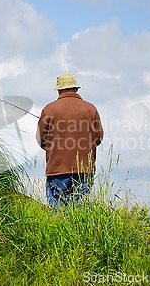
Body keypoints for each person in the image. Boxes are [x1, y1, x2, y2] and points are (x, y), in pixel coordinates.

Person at [36, 73, 104, 210]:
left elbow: (40, 138)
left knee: (57, 210)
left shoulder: (49, 109)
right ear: (76, 89)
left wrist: (53, 149)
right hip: (84, 168)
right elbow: (99, 137)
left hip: (57, 169)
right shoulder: (91, 109)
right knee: (78, 212)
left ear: (59, 90)